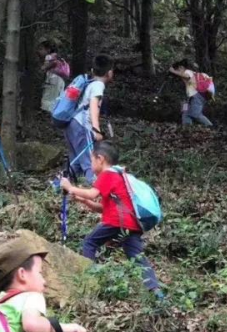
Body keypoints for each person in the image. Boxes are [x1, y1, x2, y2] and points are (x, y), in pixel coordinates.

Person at [60, 141, 164, 299]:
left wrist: (69, 187)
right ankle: (156, 291)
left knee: (89, 243)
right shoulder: (118, 176)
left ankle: (89, 281)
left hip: (117, 222)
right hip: (131, 224)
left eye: (92, 160)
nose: (91, 164)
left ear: (100, 159)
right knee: (137, 257)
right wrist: (84, 201)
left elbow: (92, 193)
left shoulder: (107, 174)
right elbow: (104, 208)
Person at [64, 54, 113, 186]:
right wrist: (96, 129)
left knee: (76, 160)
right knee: (90, 161)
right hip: (82, 125)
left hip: (72, 123)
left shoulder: (89, 83)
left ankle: (59, 185)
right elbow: (93, 105)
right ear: (109, 73)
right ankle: (96, 189)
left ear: (92, 70)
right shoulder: (98, 85)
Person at [169, 59, 213, 127]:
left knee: (196, 114)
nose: (177, 71)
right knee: (185, 113)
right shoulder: (187, 74)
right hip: (189, 98)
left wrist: (173, 71)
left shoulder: (188, 72)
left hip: (197, 96)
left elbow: (187, 76)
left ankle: (210, 126)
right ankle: (187, 128)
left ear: (181, 67)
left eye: (177, 69)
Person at [39, 41, 66, 113]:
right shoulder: (58, 57)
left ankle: (47, 115)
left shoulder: (49, 57)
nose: (39, 51)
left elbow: (44, 67)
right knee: (57, 98)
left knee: (48, 99)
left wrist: (42, 68)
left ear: (48, 50)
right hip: (60, 80)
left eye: (41, 49)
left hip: (53, 80)